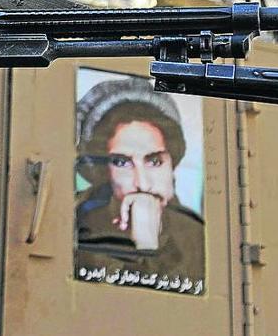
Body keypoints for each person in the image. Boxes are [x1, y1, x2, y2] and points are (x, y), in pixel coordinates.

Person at [74, 78, 205, 286]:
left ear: (172, 164)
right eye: (122, 163)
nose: (142, 184)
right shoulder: (75, 226)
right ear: (102, 172)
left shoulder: (198, 237)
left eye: (154, 161)